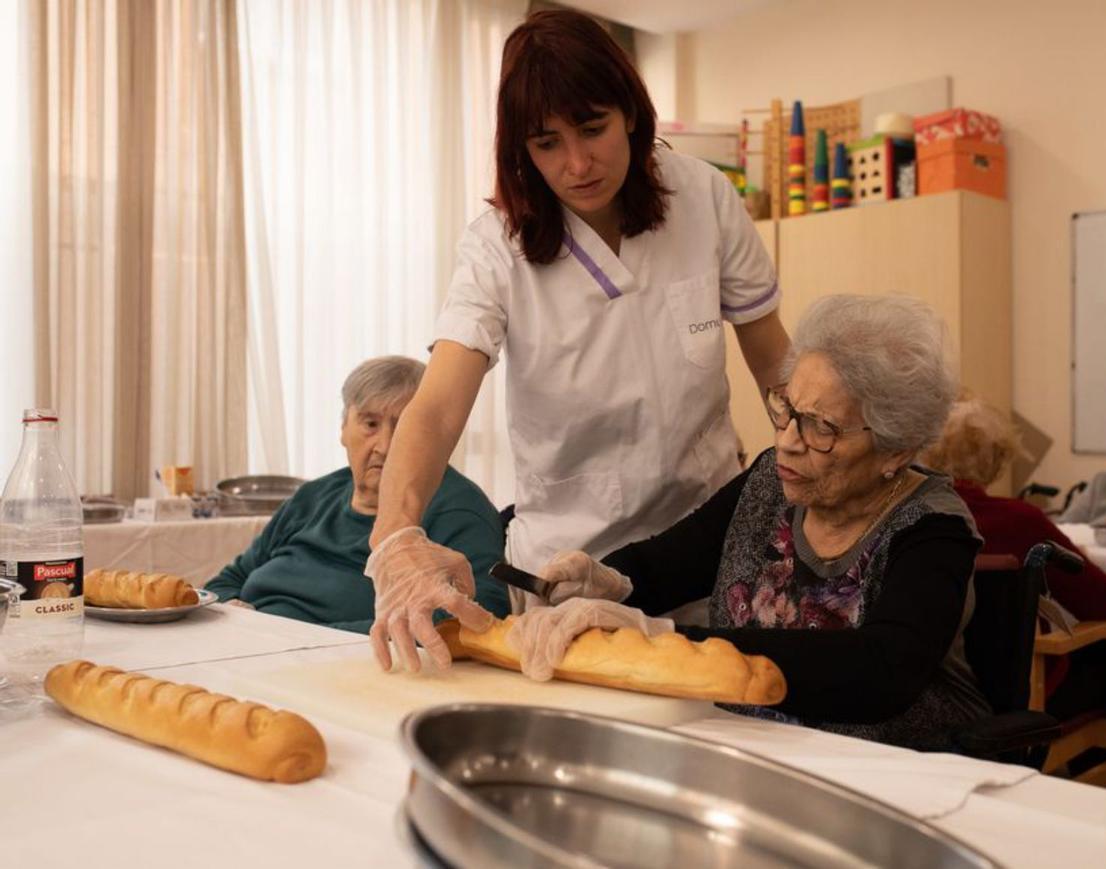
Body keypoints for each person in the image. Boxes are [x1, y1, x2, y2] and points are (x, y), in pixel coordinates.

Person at [365, 9, 791, 673]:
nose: (578, 162)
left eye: (593, 128)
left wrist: (826, 469)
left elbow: (773, 361)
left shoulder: (703, 195)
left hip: (702, 555)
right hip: (563, 581)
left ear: (631, 112)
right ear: (521, 151)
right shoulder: (497, 245)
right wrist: (396, 532)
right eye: (547, 143)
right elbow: (440, 404)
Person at [505, 295, 991, 752]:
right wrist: (608, 581)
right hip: (749, 747)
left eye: (821, 428)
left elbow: (879, 673)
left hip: (894, 771)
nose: (787, 442)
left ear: (897, 449)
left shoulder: (934, 529)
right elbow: (668, 563)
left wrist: (666, 639)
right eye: (787, 410)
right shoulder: (770, 482)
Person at [205, 356, 509, 632]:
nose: (386, 446)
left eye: (403, 427)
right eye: (370, 424)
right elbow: (225, 582)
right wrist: (239, 616)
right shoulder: (312, 498)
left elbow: (480, 614)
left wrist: (306, 639)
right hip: (249, 645)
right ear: (343, 429)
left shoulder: (458, 509)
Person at [922, 397, 1106, 710]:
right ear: (997, 459)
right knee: (1104, 651)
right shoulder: (1020, 521)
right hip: (1017, 692)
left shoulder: (913, 515)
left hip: (928, 689)